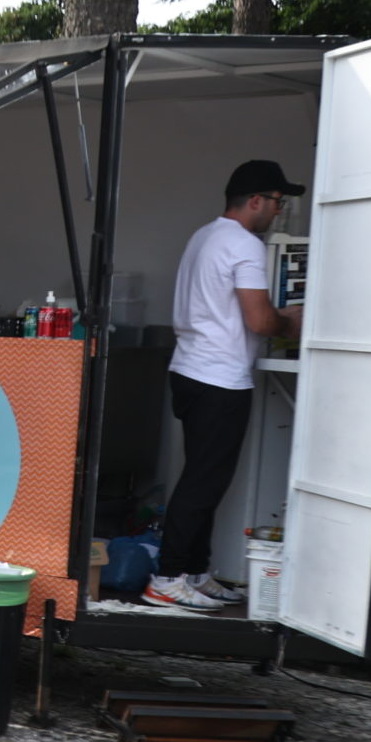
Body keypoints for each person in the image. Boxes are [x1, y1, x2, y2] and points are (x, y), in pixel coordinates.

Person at [149, 160, 305, 610]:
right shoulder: (244, 246)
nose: (279, 211)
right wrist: (290, 323)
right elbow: (259, 318)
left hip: (192, 369)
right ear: (255, 200)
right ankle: (168, 576)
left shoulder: (204, 235)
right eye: (277, 201)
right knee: (202, 482)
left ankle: (195, 572)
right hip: (219, 377)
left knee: (208, 480)